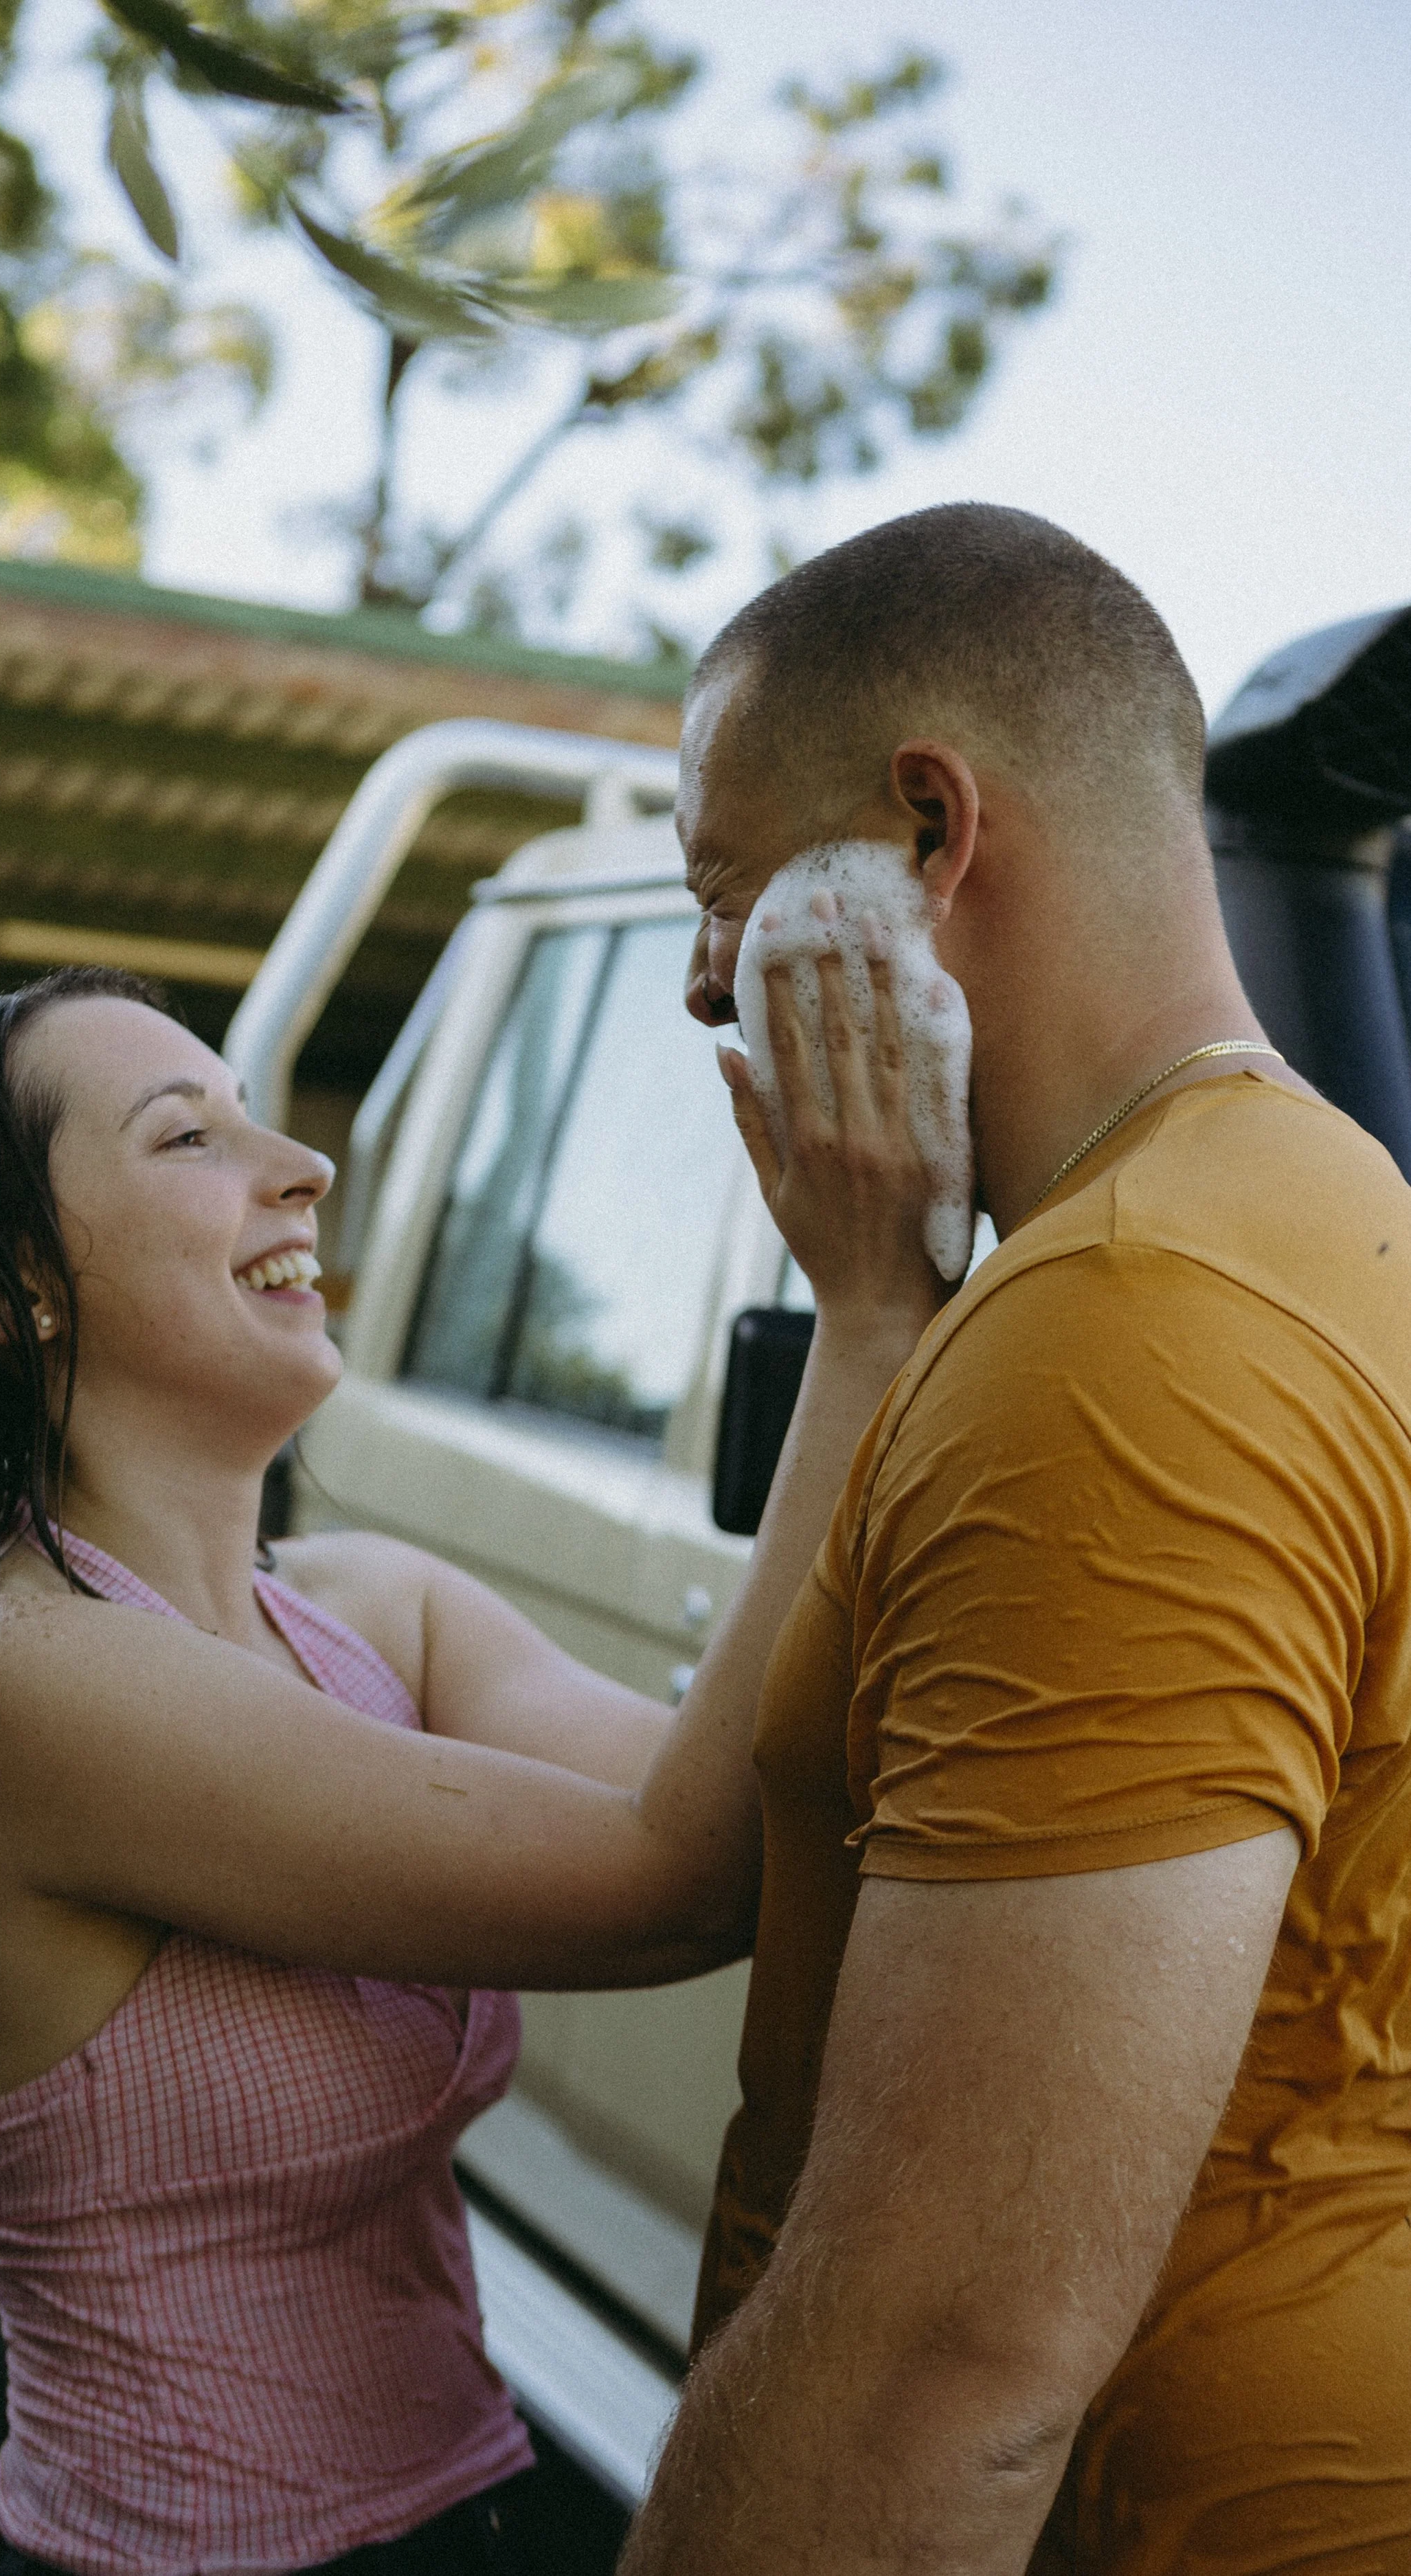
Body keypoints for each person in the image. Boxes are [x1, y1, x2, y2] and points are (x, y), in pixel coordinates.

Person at [0, 952, 942, 2576]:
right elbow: (681, 1875)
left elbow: (758, 1792)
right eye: (183, 1137)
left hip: (464, 2505)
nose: (303, 1167)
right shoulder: (12, 1691)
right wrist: (867, 1319)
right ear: (3, 1291)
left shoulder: (372, 1609)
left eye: (253, 1115)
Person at [621, 504, 1411, 2575]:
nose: (702, 973)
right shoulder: (1318, 1214)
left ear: (922, 832)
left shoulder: (1128, 1321)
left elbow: (941, 2358)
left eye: (718, 886)